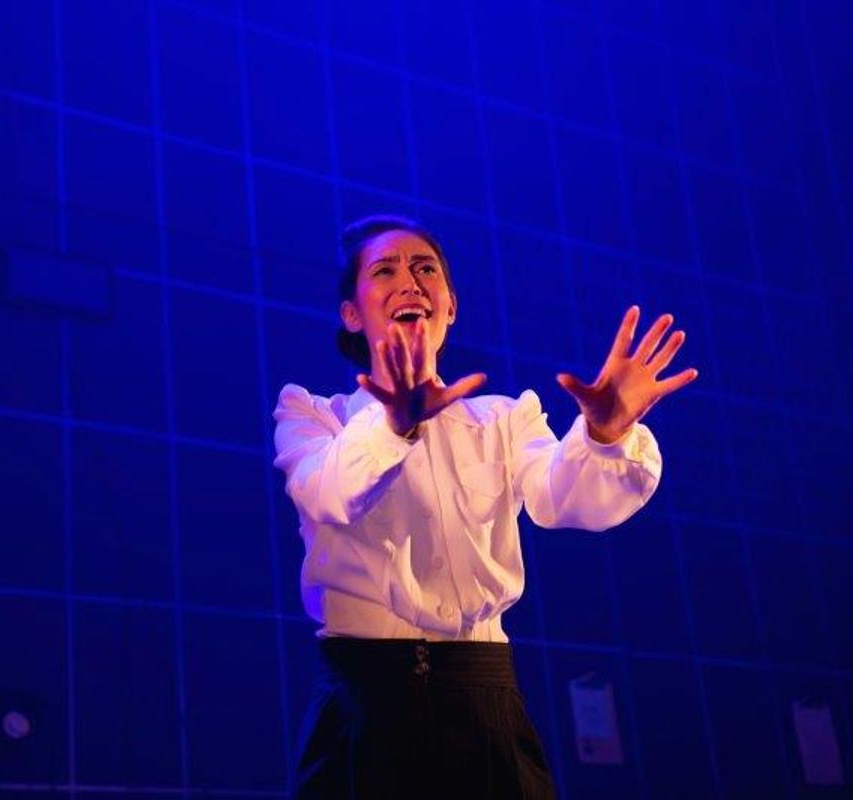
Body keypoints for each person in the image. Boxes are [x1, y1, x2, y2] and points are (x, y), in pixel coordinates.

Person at [272, 215, 698, 798]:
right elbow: (329, 493)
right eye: (385, 270)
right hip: (364, 697)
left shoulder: (503, 418)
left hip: (482, 696)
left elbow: (564, 497)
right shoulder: (313, 415)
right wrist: (394, 426)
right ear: (352, 313)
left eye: (425, 269)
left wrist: (604, 434)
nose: (410, 281)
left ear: (450, 307)